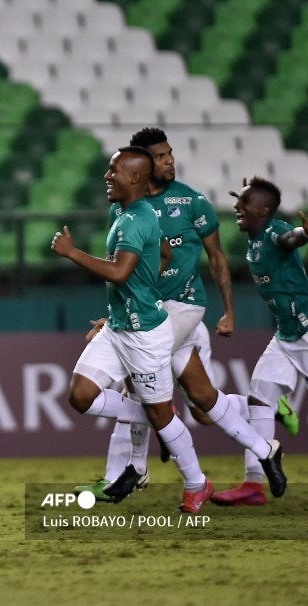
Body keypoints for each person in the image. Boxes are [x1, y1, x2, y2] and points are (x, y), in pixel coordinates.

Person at [74, 127, 287, 503]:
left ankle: (132, 471)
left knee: (134, 385)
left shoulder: (192, 202)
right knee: (203, 402)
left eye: (170, 153)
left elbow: (218, 258)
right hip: (154, 310)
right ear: (141, 167)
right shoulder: (123, 206)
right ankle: (262, 424)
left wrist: (229, 312)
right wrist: (121, 311)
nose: (169, 160)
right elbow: (135, 265)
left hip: (184, 308)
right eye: (160, 156)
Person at [51, 146, 216, 513]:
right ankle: (160, 414)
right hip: (120, 326)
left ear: (136, 178)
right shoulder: (129, 213)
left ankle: (197, 484)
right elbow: (164, 254)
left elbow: (119, 272)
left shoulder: (135, 219)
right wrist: (140, 291)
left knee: (160, 415)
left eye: (114, 171)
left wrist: (72, 252)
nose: (108, 177)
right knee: (81, 396)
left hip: (144, 337)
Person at [213, 176, 308, 505]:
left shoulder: (272, 232)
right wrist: (247, 197)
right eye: (238, 202)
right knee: (259, 397)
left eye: (246, 204)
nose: (237, 208)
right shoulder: (255, 235)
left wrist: (304, 233)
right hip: (286, 333)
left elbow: (288, 239)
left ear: (265, 210)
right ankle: (253, 485)